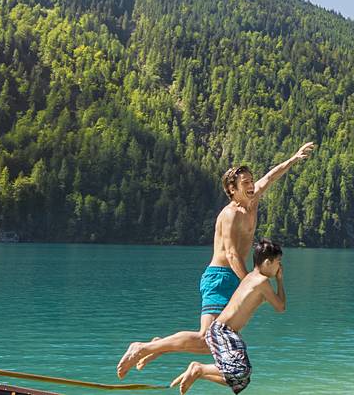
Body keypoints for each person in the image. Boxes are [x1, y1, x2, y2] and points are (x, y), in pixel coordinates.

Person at [117, 142, 314, 378]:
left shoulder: (253, 199)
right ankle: (143, 348)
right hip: (220, 277)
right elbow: (231, 254)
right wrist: (249, 283)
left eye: (252, 181)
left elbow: (272, 176)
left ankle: (158, 346)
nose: (252, 185)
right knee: (206, 339)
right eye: (246, 183)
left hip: (234, 277)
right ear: (232, 189)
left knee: (212, 342)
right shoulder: (230, 214)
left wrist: (294, 157)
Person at [171, 239, 286, 394]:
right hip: (222, 331)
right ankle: (199, 368)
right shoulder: (261, 281)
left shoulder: (251, 278)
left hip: (227, 332)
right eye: (278, 262)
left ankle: (200, 372)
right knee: (239, 371)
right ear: (267, 262)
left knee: (242, 380)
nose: (280, 266)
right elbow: (280, 307)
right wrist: (279, 280)